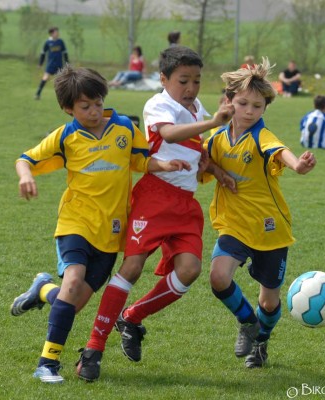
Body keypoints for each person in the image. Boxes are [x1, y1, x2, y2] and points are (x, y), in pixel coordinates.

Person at [10, 64, 190, 384]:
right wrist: (26, 176)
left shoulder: (123, 128)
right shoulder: (66, 136)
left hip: (111, 232)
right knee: (73, 282)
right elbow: (26, 159)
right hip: (76, 222)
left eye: (97, 103)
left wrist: (163, 165)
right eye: (85, 106)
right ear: (68, 109)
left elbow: (139, 160)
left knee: (74, 301)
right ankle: (47, 363)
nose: (94, 111)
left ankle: (43, 290)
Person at [75, 45, 236, 382]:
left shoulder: (196, 108)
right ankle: (93, 349)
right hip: (155, 197)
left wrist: (217, 171)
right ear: (163, 79)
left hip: (185, 204)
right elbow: (167, 134)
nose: (190, 88)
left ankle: (132, 317)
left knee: (189, 270)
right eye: (183, 81)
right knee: (132, 267)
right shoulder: (158, 104)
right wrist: (212, 122)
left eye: (196, 81)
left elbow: (195, 149)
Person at [205, 59, 316, 368]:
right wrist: (213, 169)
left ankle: (261, 342)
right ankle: (247, 322)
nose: (249, 111)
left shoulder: (261, 136)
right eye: (243, 103)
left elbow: (279, 151)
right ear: (229, 100)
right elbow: (202, 159)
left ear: (265, 108)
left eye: (257, 106)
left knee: (268, 301)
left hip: (270, 229)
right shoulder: (216, 136)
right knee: (218, 277)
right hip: (234, 225)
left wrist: (298, 165)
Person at [35, 27, 69, 100]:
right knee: (45, 78)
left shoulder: (60, 42)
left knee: (61, 81)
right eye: (56, 32)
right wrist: (40, 63)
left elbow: (65, 53)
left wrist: (67, 64)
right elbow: (43, 53)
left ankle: (63, 97)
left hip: (59, 64)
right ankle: (38, 94)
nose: (58, 33)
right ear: (51, 33)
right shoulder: (48, 42)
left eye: (58, 32)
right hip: (50, 65)